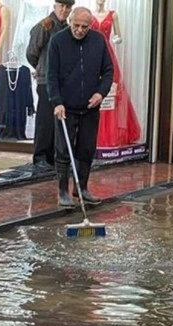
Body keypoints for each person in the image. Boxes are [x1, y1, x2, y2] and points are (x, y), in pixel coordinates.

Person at [47, 7, 113, 208]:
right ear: (70, 22)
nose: (80, 30)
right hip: (65, 107)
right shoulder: (57, 41)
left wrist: (100, 93)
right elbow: (51, 76)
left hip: (90, 107)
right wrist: (56, 101)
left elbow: (109, 71)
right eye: (76, 25)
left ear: (90, 25)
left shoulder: (98, 40)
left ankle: (82, 188)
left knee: (86, 149)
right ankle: (63, 191)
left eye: (84, 27)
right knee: (63, 150)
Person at [26, 0, 73, 171]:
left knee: (57, 120)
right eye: (62, 6)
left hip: (62, 82)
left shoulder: (68, 28)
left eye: (68, 7)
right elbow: (32, 52)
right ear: (55, 6)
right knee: (45, 120)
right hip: (46, 80)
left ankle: (52, 155)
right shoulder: (46, 25)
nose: (65, 10)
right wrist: (42, 69)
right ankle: (40, 156)